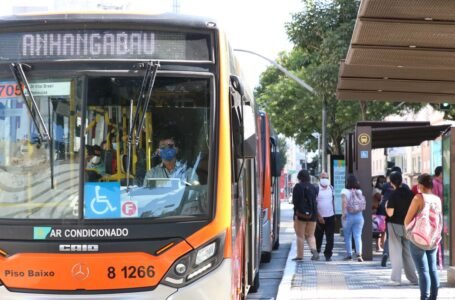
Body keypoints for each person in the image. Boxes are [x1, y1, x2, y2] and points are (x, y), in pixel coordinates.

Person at [405, 174, 442, 300]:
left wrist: (408, 231)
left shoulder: (418, 198)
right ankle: (433, 297)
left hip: (418, 239)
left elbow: (407, 220)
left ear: (420, 185)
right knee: (432, 269)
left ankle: (424, 298)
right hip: (432, 238)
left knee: (423, 271)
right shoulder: (437, 199)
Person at [386, 171, 418, 285]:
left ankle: (396, 278)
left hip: (394, 224)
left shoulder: (393, 195)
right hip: (408, 225)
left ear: (392, 182)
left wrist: (386, 207)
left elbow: (390, 213)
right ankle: (413, 278)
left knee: (396, 251)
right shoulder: (410, 193)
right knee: (408, 252)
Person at [292, 169, 319, 261]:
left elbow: (295, 202)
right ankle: (314, 251)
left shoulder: (298, 187)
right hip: (313, 215)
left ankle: (300, 255)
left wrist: (296, 214)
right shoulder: (313, 187)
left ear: (299, 177)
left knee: (300, 235)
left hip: (301, 215)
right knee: (311, 235)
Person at [341, 174, 365, 262]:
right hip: (359, 216)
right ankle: (359, 254)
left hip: (348, 216)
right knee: (358, 235)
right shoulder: (359, 191)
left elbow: (344, 203)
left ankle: (349, 255)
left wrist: (343, 214)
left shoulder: (344, 191)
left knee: (347, 236)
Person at [315, 171, 335, 261]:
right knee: (318, 237)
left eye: (326, 177)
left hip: (330, 216)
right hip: (319, 217)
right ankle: (317, 251)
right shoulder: (316, 189)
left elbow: (334, 201)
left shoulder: (331, 188)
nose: (325, 179)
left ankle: (328, 254)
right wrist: (318, 216)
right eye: (323, 177)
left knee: (330, 238)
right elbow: (313, 204)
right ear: (320, 179)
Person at [432, 166, 444, 269]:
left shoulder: (441, 183)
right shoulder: (435, 184)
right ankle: (438, 259)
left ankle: (439, 259)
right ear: (440, 173)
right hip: (438, 213)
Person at [372, 175, 386, 251]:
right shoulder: (375, 190)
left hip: (382, 210)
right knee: (378, 229)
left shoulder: (381, 190)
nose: (382, 183)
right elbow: (380, 198)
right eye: (381, 181)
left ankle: (381, 245)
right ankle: (378, 246)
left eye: (384, 181)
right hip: (378, 210)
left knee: (383, 230)